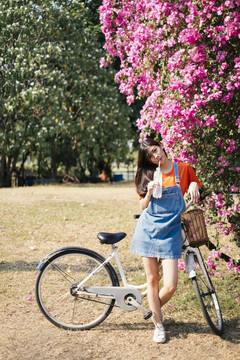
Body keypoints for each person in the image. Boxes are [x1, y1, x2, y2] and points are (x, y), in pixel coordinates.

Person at [131, 138, 202, 343]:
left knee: (170, 285)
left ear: (161, 146)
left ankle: (152, 309)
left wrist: (195, 184)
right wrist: (150, 192)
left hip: (171, 232)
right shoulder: (146, 175)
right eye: (151, 156)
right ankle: (158, 325)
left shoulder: (183, 169)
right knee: (153, 279)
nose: (156, 156)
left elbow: (196, 185)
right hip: (148, 231)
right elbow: (143, 206)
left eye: (156, 150)